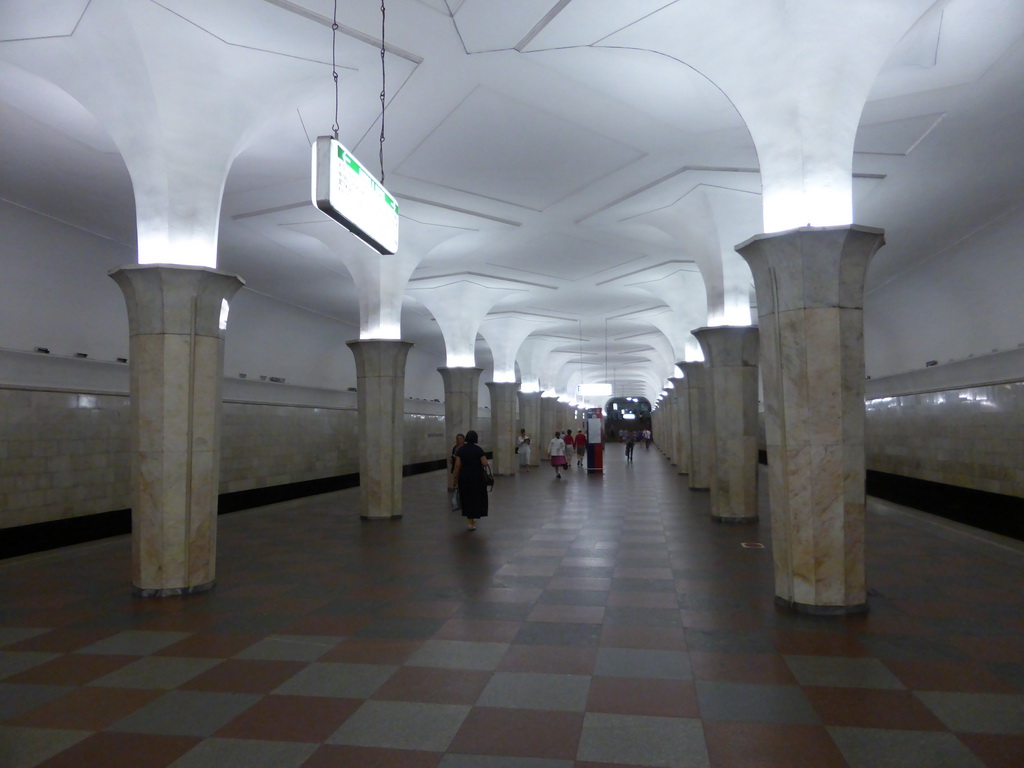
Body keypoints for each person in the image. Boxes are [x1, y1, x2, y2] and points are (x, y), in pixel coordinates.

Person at [452, 429, 489, 531]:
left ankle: (470, 521)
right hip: (477, 478)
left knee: (467, 498)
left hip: (464, 478)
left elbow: (457, 465)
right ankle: (472, 521)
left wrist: (455, 478)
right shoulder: (478, 450)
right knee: (475, 498)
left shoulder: (461, 450)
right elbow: (485, 463)